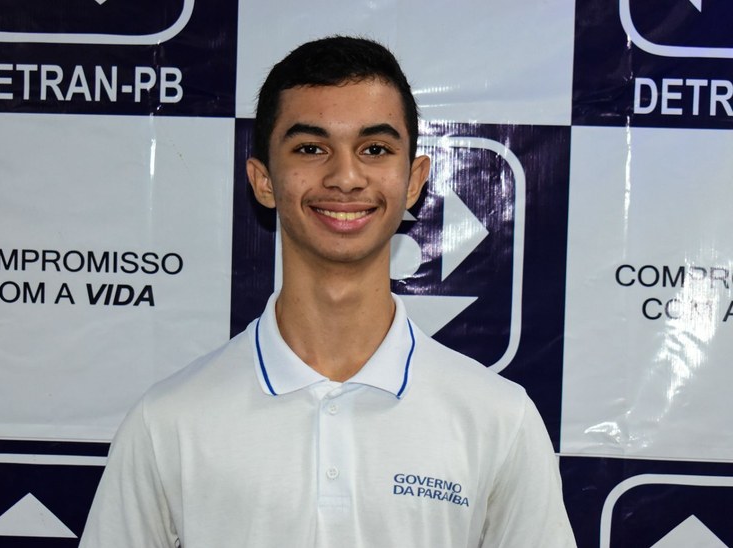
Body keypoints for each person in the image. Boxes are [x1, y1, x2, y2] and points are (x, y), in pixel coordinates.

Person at [80, 36, 576, 547]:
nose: (345, 177)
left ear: (414, 180)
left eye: (375, 149)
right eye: (311, 149)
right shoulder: (168, 423)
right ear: (264, 180)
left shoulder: (499, 419)